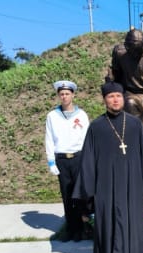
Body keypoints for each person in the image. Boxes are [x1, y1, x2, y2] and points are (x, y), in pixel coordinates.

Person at [73, 81, 143, 253]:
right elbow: (87, 161)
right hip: (106, 185)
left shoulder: (135, 124)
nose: (115, 100)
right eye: (111, 97)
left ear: (123, 98)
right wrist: (87, 193)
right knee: (109, 218)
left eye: (118, 96)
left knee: (132, 217)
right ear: (104, 100)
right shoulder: (96, 127)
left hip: (132, 182)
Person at [45, 80, 90, 242]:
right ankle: (70, 229)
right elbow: (49, 139)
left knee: (79, 195)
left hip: (78, 158)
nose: (64, 96)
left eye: (67, 93)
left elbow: (87, 139)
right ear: (58, 96)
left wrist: (87, 161)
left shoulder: (81, 115)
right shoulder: (52, 116)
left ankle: (81, 229)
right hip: (62, 160)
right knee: (67, 196)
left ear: (73, 95)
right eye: (61, 94)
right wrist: (51, 162)